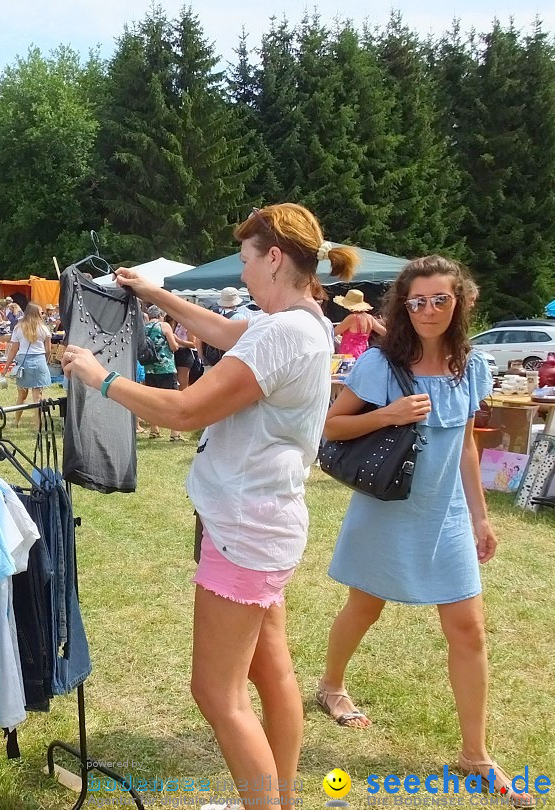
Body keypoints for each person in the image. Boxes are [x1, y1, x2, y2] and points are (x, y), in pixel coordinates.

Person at [61, 203, 355, 809]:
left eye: (247, 259)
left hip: (245, 531)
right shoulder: (305, 320)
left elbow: (187, 410)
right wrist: (154, 292)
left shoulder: (283, 333)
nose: (242, 273)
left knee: (216, 694)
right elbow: (223, 331)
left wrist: (100, 377)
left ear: (274, 258)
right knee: (270, 675)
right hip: (265, 527)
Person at [316, 256, 532, 807]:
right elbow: (331, 427)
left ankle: (474, 755)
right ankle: (330, 686)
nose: (429, 310)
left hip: (448, 515)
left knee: (469, 631)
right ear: (402, 307)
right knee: (364, 608)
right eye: (417, 302)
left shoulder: (472, 366)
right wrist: (387, 415)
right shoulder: (380, 366)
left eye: (440, 299)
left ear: (460, 301)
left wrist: (481, 516)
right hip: (387, 509)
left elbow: (464, 445)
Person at [1, 302, 52, 428]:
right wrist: (45, 360)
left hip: (23, 361)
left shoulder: (19, 327)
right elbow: (49, 350)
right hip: (39, 360)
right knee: (38, 396)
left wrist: (6, 367)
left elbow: (13, 349)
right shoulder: (44, 328)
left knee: (21, 395)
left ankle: (16, 421)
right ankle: (38, 425)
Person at [142, 306, 184, 441]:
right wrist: (176, 342)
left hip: (149, 368)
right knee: (173, 399)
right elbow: (174, 346)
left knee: (153, 400)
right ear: (161, 315)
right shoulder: (164, 325)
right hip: (165, 367)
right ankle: (175, 432)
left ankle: (154, 430)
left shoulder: (144, 327)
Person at [200, 287, 251, 369]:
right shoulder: (240, 318)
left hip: (211, 356)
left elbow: (201, 336)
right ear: (235, 303)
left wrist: (201, 355)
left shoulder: (211, 314)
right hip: (230, 358)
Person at [332, 289, 385, 357]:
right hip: (364, 352)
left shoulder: (352, 318)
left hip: (348, 354)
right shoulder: (370, 318)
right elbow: (384, 333)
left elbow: (334, 332)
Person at [170, 315, 203, 389]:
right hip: (176, 352)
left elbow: (193, 344)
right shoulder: (176, 324)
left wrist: (178, 340)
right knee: (176, 381)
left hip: (185, 354)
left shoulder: (188, 326)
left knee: (182, 383)